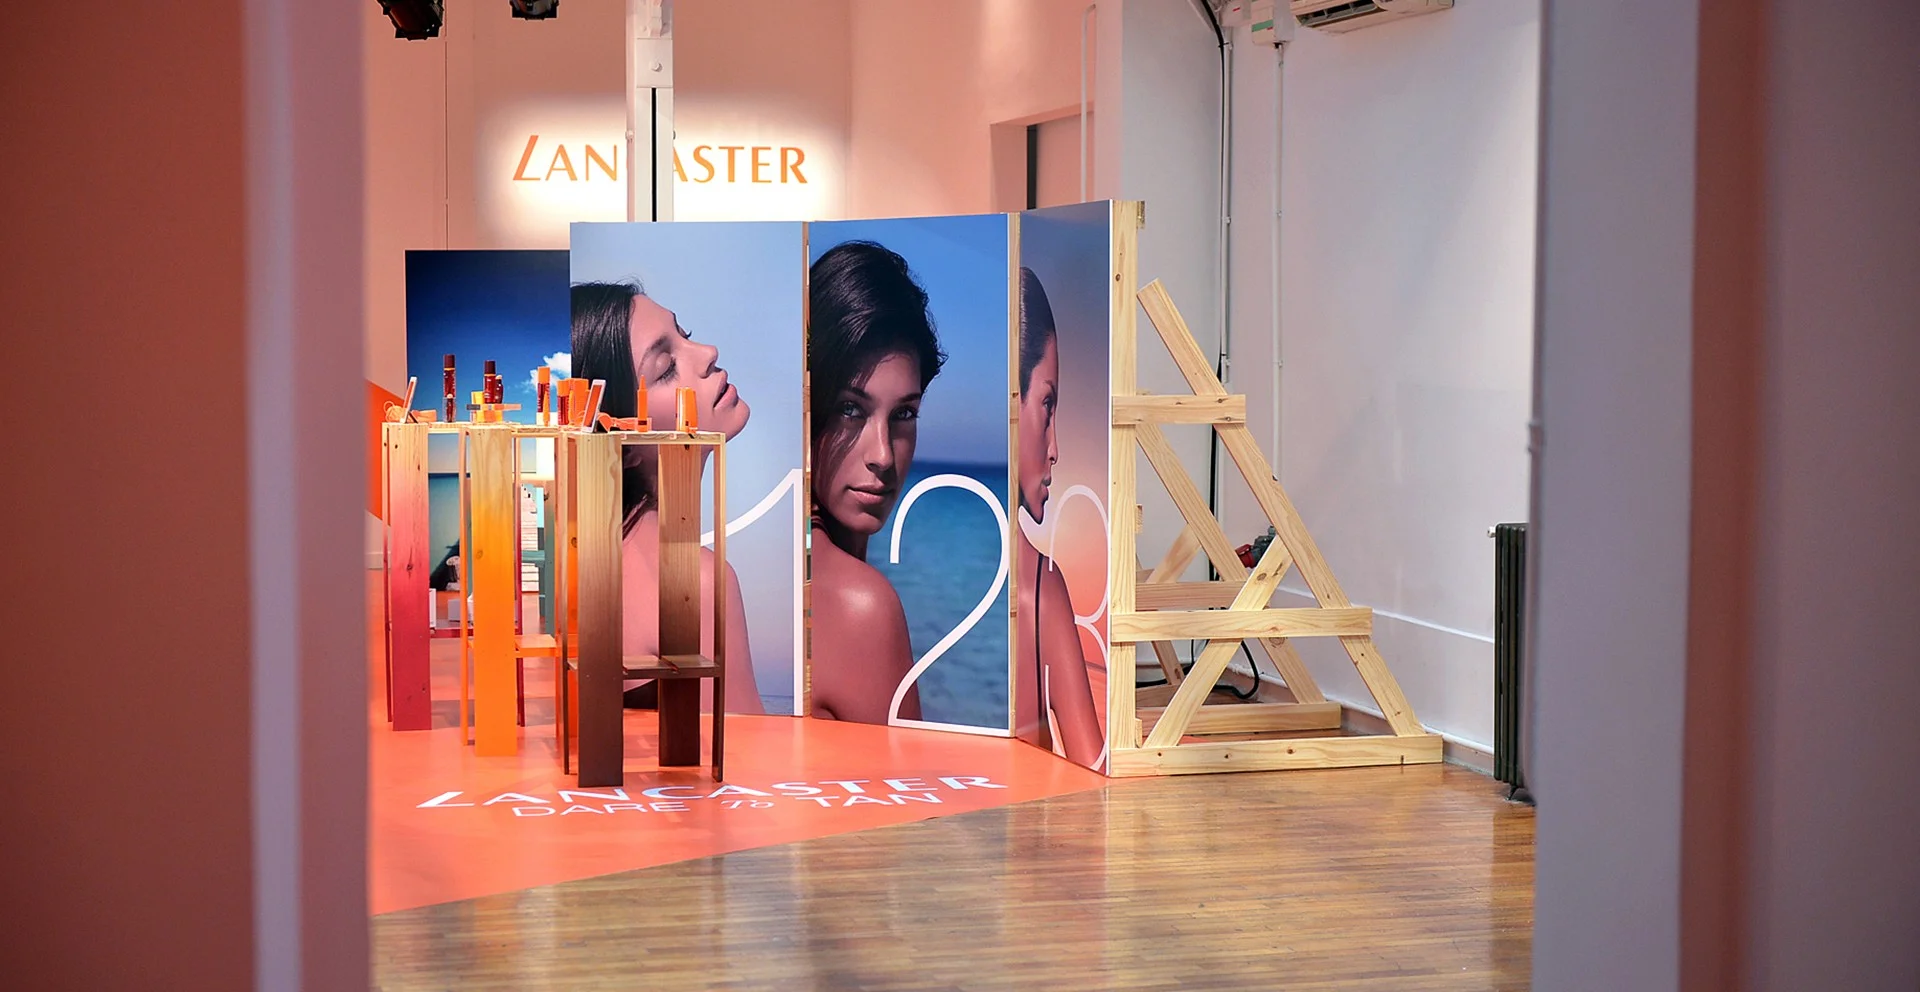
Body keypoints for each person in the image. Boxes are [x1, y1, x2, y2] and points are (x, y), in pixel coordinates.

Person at [570, 281, 763, 714]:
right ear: (619, 440)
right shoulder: (693, 583)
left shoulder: (593, 564)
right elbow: (744, 750)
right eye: (665, 368)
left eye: (685, 334)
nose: (708, 352)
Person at [806, 241, 945, 724]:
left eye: (904, 414)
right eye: (850, 409)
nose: (883, 455)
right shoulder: (860, 605)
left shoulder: (764, 574)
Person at [1013, 267, 1103, 767]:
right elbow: (1092, 765)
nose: (1055, 449)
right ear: (1010, 401)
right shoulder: (1040, 587)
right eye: (1047, 405)